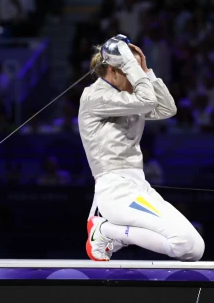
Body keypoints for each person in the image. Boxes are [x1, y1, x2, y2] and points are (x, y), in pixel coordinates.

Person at [78, 37, 204, 261]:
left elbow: (167, 108)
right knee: (183, 242)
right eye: (130, 69)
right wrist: (129, 63)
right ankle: (105, 230)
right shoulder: (94, 96)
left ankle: (110, 233)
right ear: (114, 71)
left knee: (193, 248)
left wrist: (146, 71)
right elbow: (147, 100)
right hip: (116, 190)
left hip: (139, 186)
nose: (136, 77)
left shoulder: (130, 98)